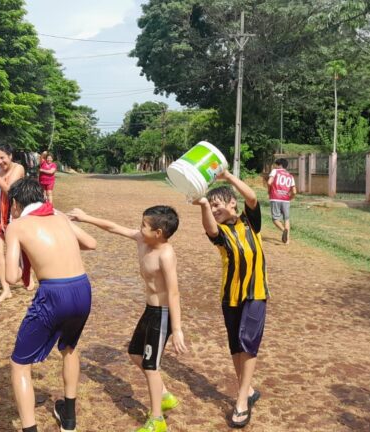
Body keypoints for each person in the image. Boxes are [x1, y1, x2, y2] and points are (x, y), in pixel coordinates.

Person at [68, 206, 187, 432]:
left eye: (144, 225)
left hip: (163, 314)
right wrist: (85, 217)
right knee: (134, 354)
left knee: (151, 366)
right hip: (150, 310)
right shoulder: (142, 240)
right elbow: (113, 227)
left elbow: (173, 292)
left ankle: (157, 420)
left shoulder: (166, 254)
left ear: (159, 233)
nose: (139, 228)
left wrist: (177, 328)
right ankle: (163, 394)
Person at [3, 177, 97, 432]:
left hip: (54, 294)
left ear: (15, 204)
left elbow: (11, 277)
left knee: (20, 364)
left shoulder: (17, 226)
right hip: (82, 288)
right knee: (69, 347)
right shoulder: (58, 216)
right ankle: (68, 417)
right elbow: (91, 243)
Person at [190, 169, 268, 428]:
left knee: (248, 343)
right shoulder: (221, 232)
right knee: (235, 345)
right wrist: (203, 205)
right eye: (211, 207)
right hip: (230, 296)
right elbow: (210, 229)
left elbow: (253, 197)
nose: (214, 210)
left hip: (256, 293)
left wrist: (228, 176)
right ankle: (247, 389)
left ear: (231, 203)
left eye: (216, 205)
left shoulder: (250, 222)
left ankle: (242, 401)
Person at [0, 144, 26, 303]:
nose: (0, 161)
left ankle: (25, 271)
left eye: (2, 157)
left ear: (10, 156)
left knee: (14, 255)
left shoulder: (18, 168)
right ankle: (5, 290)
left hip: (12, 218)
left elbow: (10, 190)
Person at [267, 158, 296, 244]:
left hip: (275, 197)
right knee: (286, 219)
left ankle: (284, 230)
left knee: (275, 219)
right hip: (286, 199)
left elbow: (269, 182)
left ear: (279, 165)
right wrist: (290, 198)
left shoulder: (275, 171)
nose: (275, 166)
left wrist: (269, 191)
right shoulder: (290, 176)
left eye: (276, 164)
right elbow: (294, 191)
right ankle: (287, 240)